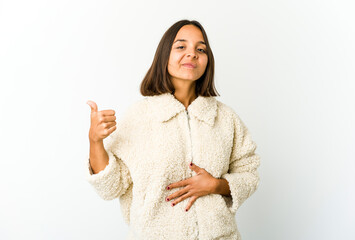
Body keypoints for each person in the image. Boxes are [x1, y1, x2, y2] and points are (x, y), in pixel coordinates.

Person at [85, 19, 260, 240]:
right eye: (181, 47)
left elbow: (249, 173)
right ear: (164, 56)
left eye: (200, 49)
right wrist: (95, 141)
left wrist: (216, 185)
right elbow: (111, 187)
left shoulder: (225, 118)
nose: (192, 54)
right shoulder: (139, 116)